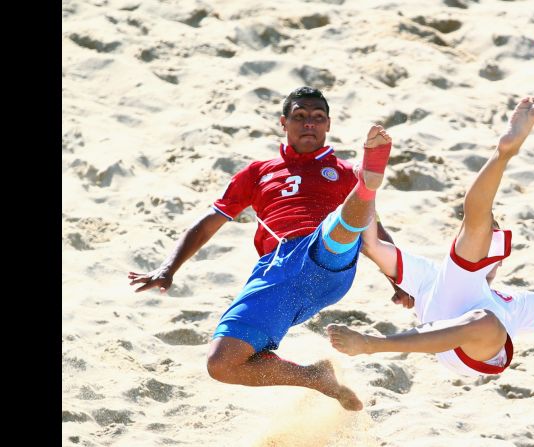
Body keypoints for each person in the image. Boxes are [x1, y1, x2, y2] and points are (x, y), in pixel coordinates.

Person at [327, 96, 534, 377]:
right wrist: (366, 182)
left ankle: (374, 345)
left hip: (479, 353)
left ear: (496, 260)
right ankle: (503, 154)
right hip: (449, 329)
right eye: (487, 237)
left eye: (490, 240)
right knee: (472, 240)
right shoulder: (431, 276)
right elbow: (370, 243)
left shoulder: (515, 303)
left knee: (485, 317)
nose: (484, 241)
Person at [128, 86, 398, 410]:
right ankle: (316, 378)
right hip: (276, 272)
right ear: (284, 123)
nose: (309, 124)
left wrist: (400, 281)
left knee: (338, 230)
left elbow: (376, 238)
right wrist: (168, 268)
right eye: (300, 117)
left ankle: (367, 185)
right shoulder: (258, 172)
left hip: (325, 260)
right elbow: (208, 224)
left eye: (317, 118)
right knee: (222, 363)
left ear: (328, 125)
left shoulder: (341, 172)